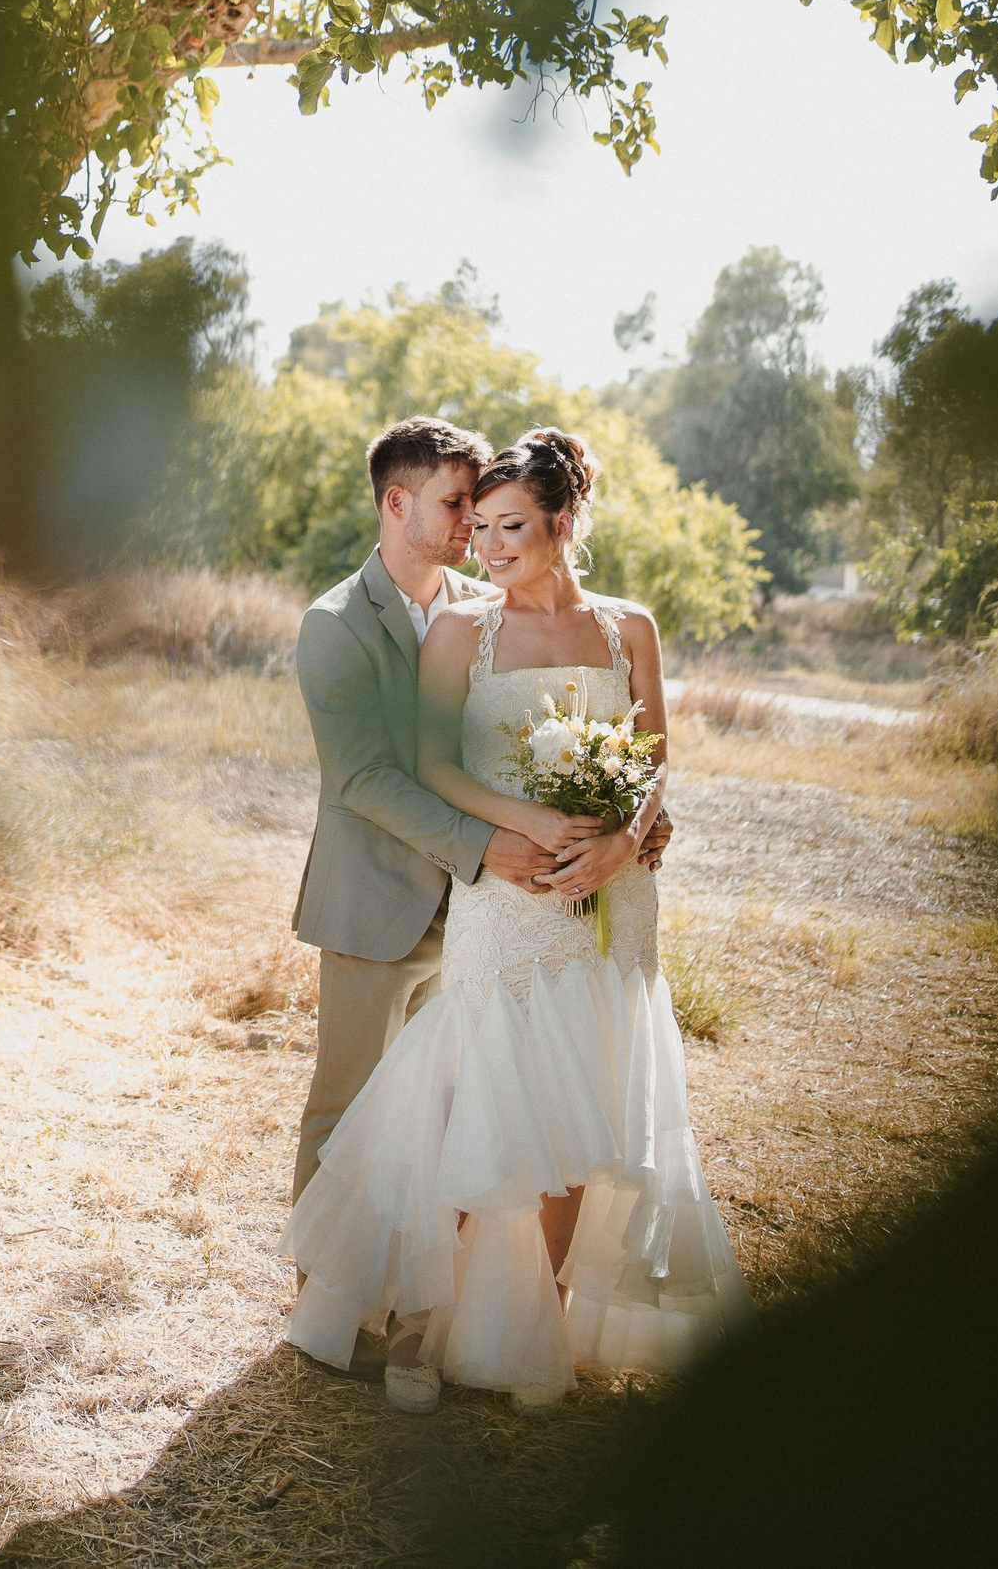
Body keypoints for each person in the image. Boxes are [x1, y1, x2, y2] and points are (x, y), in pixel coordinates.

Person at [283, 428, 752, 1415]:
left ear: (561, 524)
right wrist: (519, 829)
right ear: (399, 504)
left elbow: (651, 752)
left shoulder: (617, 624)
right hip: (458, 891)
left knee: (579, 1105)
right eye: (469, 515)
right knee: (430, 1100)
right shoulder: (391, 625)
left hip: (602, 901)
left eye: (504, 522)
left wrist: (630, 832)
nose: (483, 539)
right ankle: (377, 1310)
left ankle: (539, 1324)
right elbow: (395, 770)